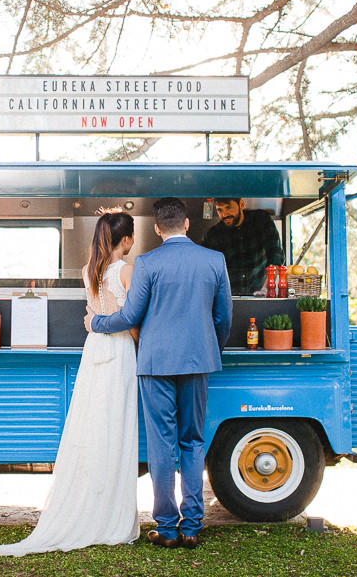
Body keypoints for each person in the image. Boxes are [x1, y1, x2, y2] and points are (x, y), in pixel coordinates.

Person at [0, 210, 140, 556]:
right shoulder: (127, 270)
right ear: (126, 240)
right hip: (120, 351)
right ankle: (112, 515)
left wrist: (95, 322)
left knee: (92, 427)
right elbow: (133, 323)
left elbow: (96, 315)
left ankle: (90, 508)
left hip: (94, 351)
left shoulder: (86, 270)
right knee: (116, 427)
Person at [86, 197, 232, 550]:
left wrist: (96, 322)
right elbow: (224, 317)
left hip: (155, 363)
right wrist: (210, 348)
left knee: (162, 445)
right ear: (186, 224)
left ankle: (167, 528)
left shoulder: (147, 263)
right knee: (193, 441)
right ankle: (193, 525)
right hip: (198, 362)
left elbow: (130, 316)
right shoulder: (214, 260)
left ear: (156, 228)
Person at [201, 197, 284, 295]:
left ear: (241, 204)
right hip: (229, 299)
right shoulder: (213, 235)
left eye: (228, 208)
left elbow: (276, 256)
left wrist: (266, 289)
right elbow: (204, 269)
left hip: (260, 295)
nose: (224, 214)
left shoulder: (261, 220)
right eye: (220, 209)